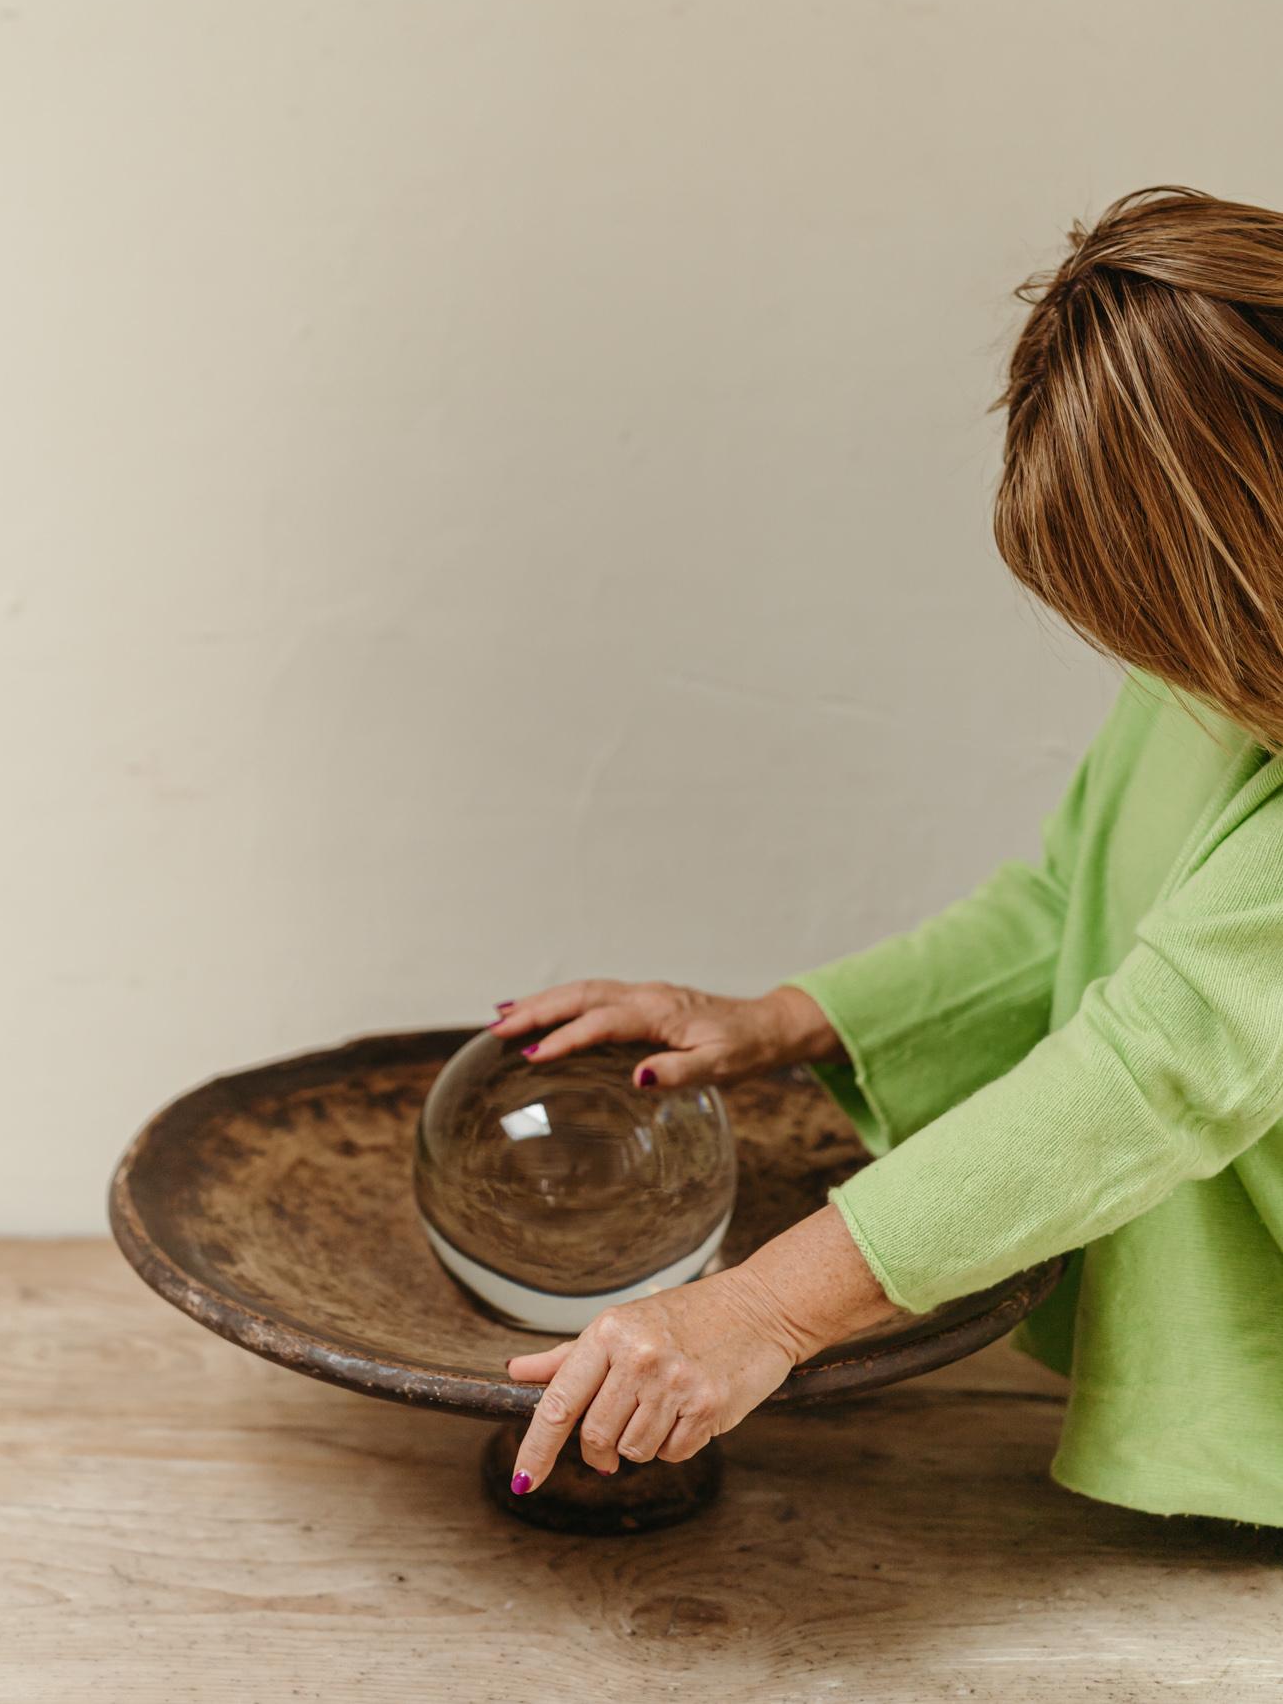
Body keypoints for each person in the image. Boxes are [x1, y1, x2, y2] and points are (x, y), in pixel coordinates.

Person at [491, 183, 1283, 1526]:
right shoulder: (1234, 673)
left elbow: (1153, 1070)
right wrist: (778, 1022)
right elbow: (1069, 902)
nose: (1172, 672)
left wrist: (762, 1311)